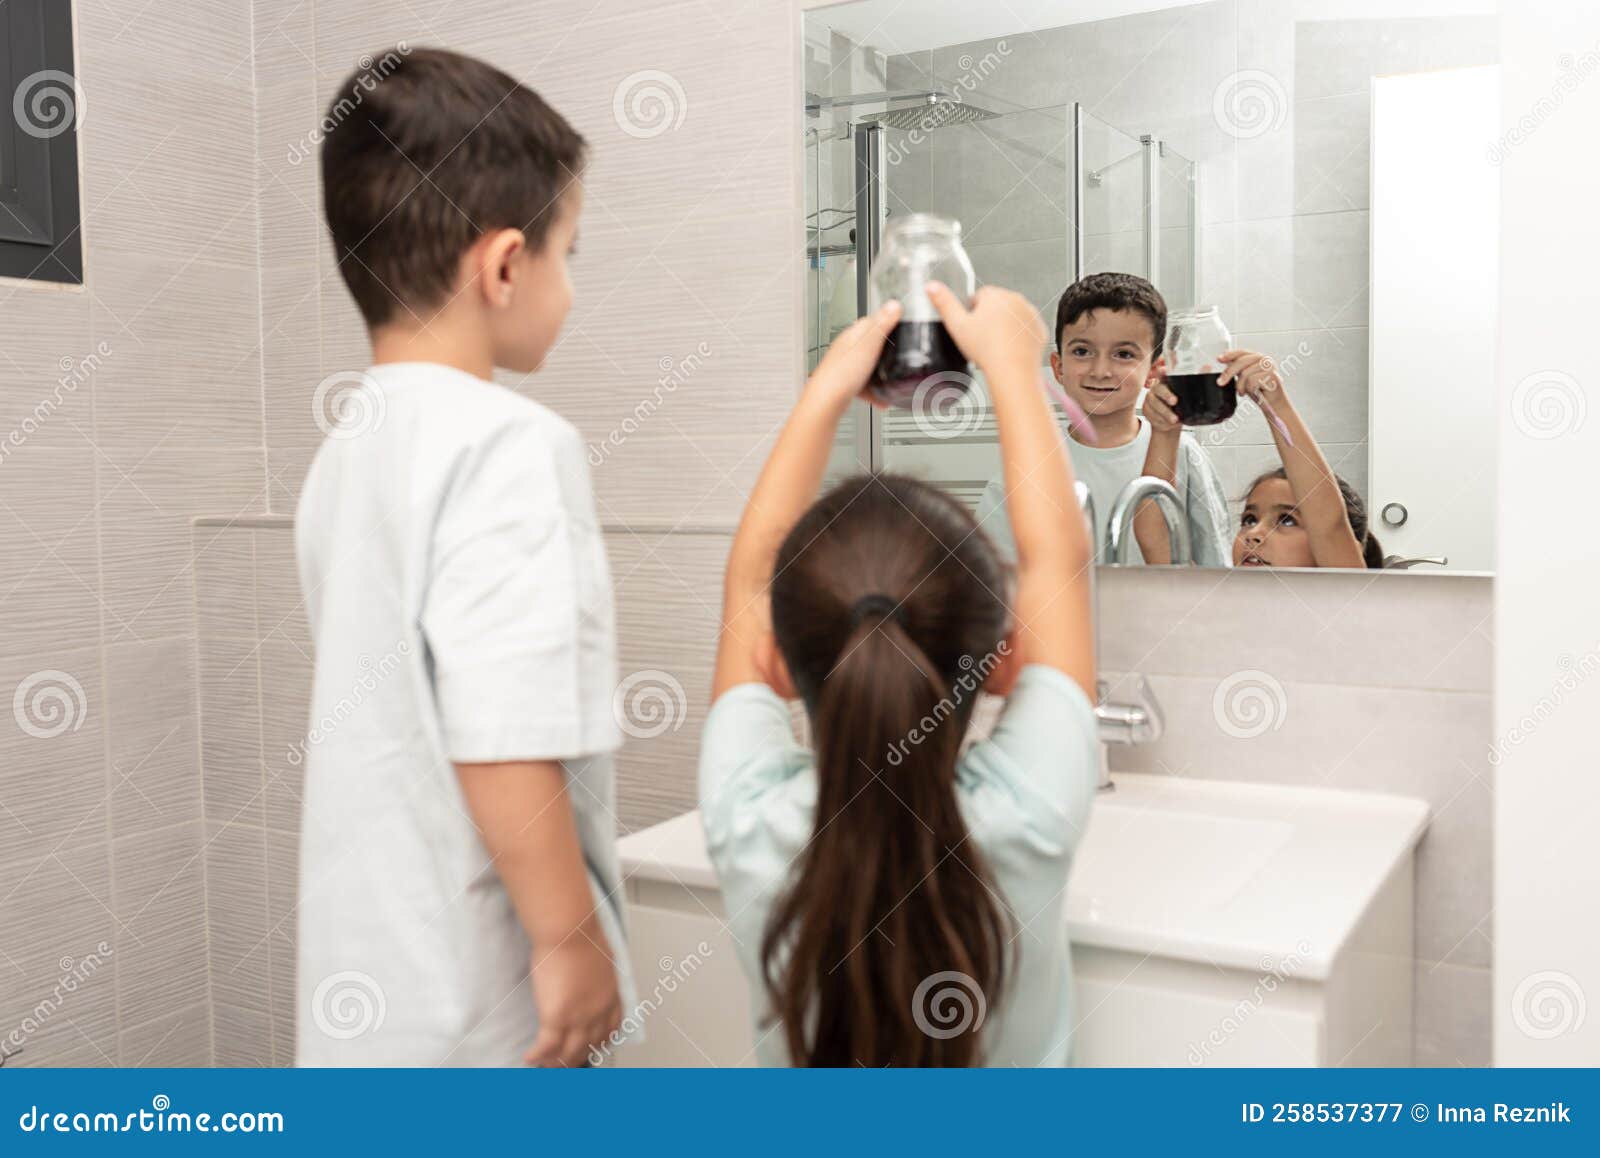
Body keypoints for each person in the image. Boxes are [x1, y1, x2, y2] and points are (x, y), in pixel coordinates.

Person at [293, 47, 632, 1066]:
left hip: (367, 984)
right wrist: (568, 938)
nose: (568, 288)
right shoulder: (509, 444)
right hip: (484, 1000)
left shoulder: (346, 449)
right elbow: (499, 729)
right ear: (502, 265)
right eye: (567, 254)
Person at [699, 282, 1099, 1066]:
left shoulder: (744, 812)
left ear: (775, 660)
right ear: (1002, 661)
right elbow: (1059, 558)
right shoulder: (1034, 809)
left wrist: (829, 390)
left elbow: (749, 578)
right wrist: (1014, 369)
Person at [976, 272, 1232, 566]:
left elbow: (1216, 563)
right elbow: (994, 581)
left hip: (1165, 612)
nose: (1100, 370)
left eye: (1123, 354)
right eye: (1082, 351)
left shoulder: (1183, 454)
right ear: (1058, 368)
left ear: (1154, 371)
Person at [1144, 349, 1379, 568]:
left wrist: (1275, 404)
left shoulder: (1342, 599)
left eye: (1286, 520)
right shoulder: (1216, 597)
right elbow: (1154, 537)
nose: (1253, 534)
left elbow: (1330, 526)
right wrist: (1165, 429)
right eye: (1249, 519)